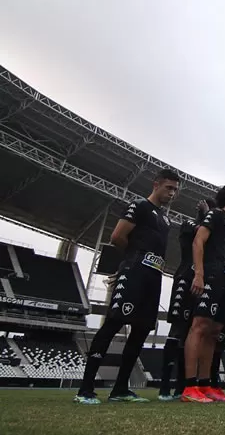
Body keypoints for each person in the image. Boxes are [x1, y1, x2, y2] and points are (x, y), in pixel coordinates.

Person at [74, 169, 180, 405]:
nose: (172, 193)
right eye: (169, 188)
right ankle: (85, 389)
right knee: (113, 323)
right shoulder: (139, 205)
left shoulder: (165, 219)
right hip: (135, 273)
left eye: (175, 190)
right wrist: (132, 260)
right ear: (156, 185)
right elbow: (117, 237)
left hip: (154, 278)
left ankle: (121, 389)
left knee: (142, 330)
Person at [181, 182, 225, 403]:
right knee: (199, 327)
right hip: (212, 276)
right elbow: (198, 241)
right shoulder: (215, 215)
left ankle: (204, 384)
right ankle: (189, 387)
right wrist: (199, 274)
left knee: (214, 332)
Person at [158, 198, 215, 401]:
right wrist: (206, 214)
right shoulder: (189, 224)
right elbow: (196, 239)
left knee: (194, 330)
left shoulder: (212, 231)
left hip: (202, 282)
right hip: (185, 278)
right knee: (178, 329)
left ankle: (182, 386)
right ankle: (164, 386)